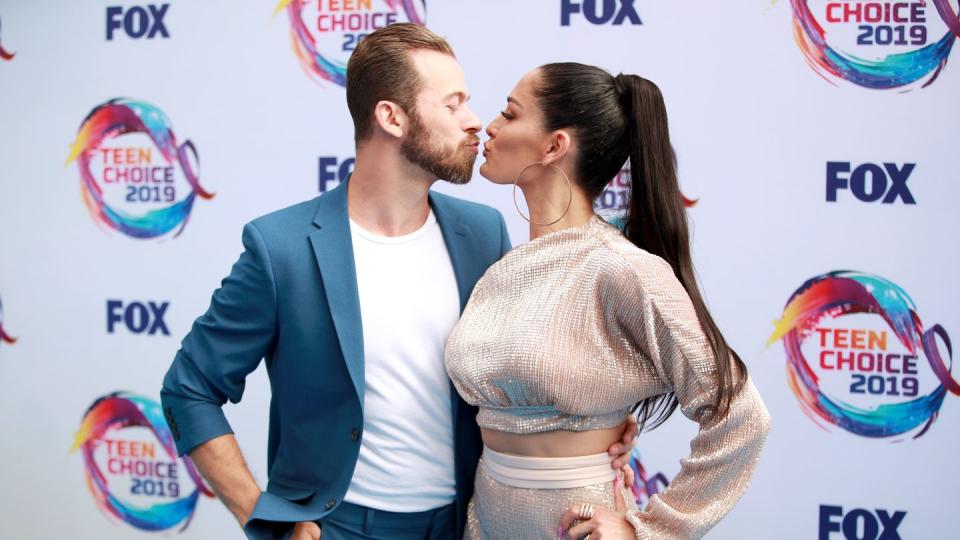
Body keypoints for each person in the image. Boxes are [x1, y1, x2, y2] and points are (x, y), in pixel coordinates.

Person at [160, 26, 636, 540]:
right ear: (391, 117)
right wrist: (262, 516)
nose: (475, 122)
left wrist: (592, 432)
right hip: (334, 527)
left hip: (467, 525)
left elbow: (517, 375)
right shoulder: (282, 248)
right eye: (453, 105)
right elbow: (189, 389)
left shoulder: (482, 233)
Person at [444, 63, 772, 539]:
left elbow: (740, 415)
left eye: (508, 114)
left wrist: (649, 530)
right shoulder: (501, 271)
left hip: (575, 524)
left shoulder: (623, 269)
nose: (488, 126)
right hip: (485, 520)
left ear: (555, 145)